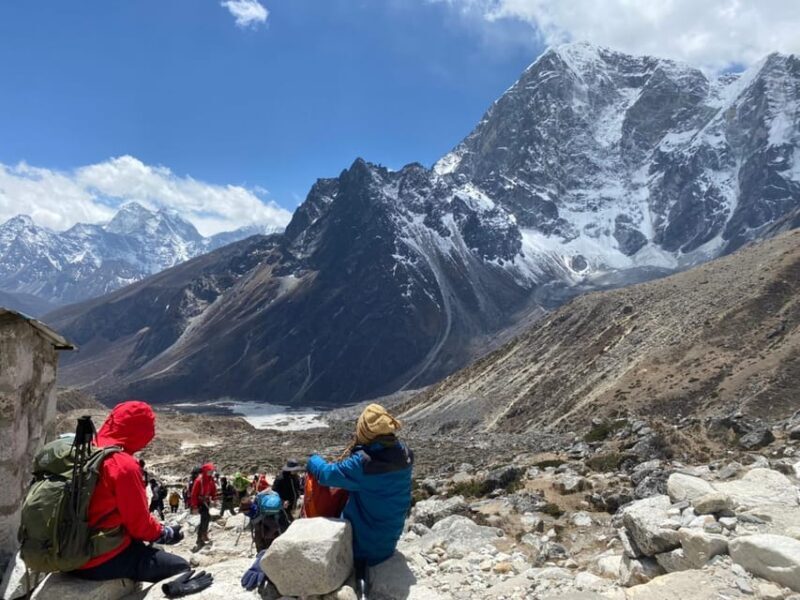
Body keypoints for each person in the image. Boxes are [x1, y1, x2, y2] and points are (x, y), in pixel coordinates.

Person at [71, 401, 190, 583]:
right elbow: (139, 525)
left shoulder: (81, 449)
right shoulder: (123, 466)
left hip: (66, 548)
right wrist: (164, 533)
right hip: (97, 559)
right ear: (140, 431)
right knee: (180, 568)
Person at [307, 403, 413, 582]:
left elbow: (326, 475)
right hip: (388, 542)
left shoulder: (363, 464)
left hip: (362, 546)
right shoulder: (405, 454)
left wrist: (313, 460)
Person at [190, 463, 217, 549]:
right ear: (205, 471)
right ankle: (200, 538)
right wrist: (194, 506)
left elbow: (213, 489)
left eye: (212, 471)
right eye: (210, 471)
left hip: (206, 501)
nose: (211, 472)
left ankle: (203, 535)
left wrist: (214, 497)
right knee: (204, 518)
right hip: (200, 502)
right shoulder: (199, 480)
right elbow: (194, 494)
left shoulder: (210, 479)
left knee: (207, 518)